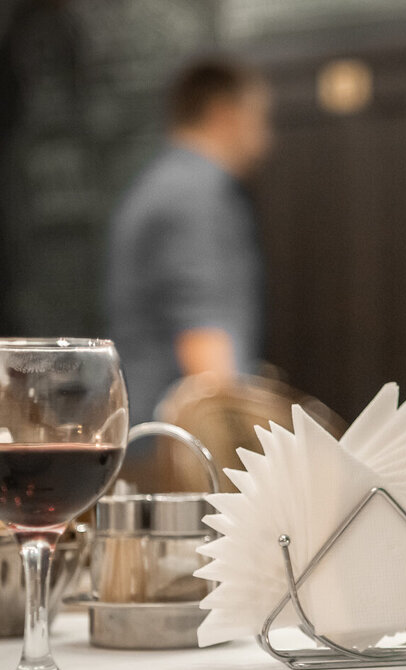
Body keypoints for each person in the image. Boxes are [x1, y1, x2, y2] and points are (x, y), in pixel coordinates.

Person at [105, 58, 273, 422]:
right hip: (179, 439)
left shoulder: (161, 183)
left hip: (149, 423)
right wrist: (234, 436)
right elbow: (204, 341)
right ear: (224, 114)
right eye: (259, 119)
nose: (265, 140)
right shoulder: (195, 195)